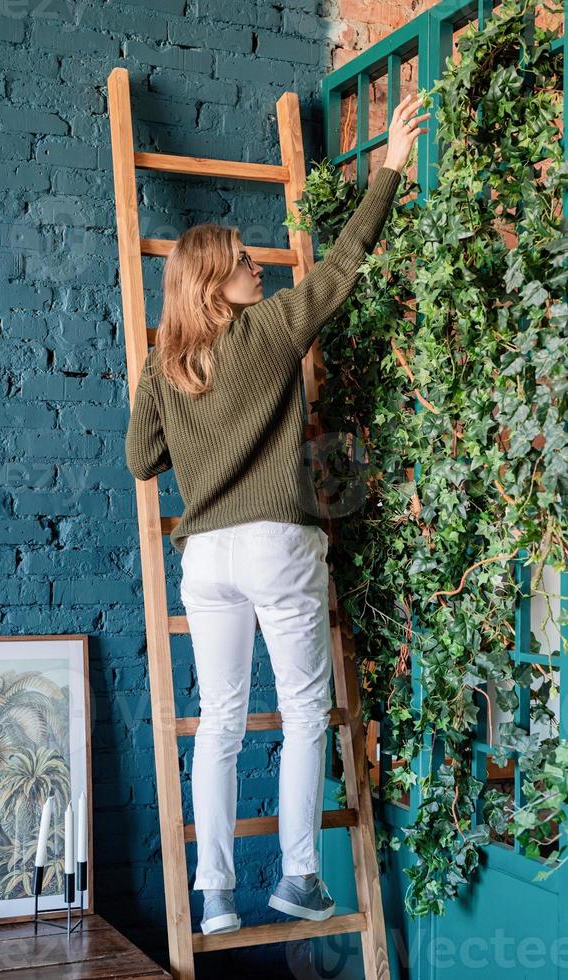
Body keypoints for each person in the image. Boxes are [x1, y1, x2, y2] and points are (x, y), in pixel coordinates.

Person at [126, 94, 431, 936]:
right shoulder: (263, 332)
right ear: (213, 280)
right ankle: (299, 880)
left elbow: (140, 461)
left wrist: (186, 424)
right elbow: (338, 270)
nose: (257, 263)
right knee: (302, 714)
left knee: (218, 725)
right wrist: (389, 169)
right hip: (275, 546)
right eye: (241, 260)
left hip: (206, 560)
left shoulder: (166, 367)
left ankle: (215, 896)